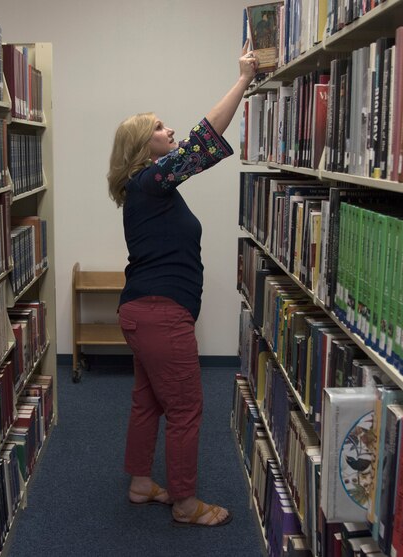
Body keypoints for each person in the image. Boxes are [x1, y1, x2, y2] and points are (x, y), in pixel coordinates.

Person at [107, 45, 258, 527]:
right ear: (140, 146)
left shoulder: (146, 187)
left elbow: (195, 142)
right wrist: (243, 80)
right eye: (159, 126)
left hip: (141, 312)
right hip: (161, 313)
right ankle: (188, 505)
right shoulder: (151, 180)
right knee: (187, 407)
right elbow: (204, 139)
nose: (168, 130)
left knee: (148, 400)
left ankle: (139, 484)